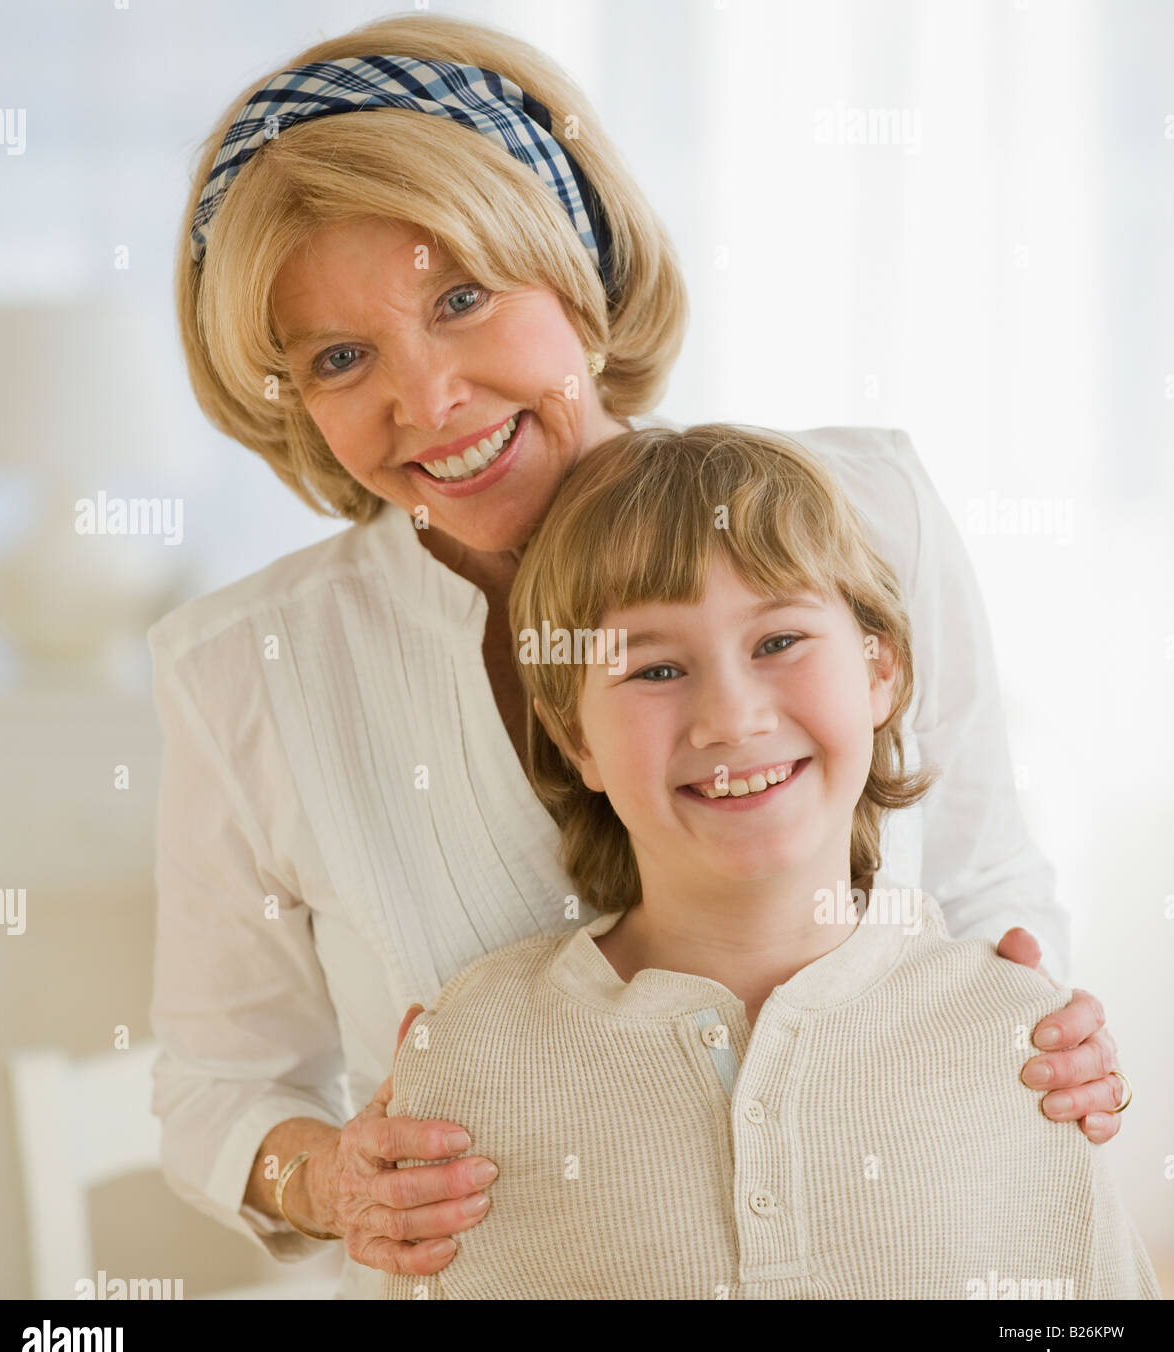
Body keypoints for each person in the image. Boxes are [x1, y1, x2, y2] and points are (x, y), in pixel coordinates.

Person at [149, 13, 1130, 1301]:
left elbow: (991, 876)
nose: (427, 398)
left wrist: (1038, 1038)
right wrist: (329, 1179)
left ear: (574, 266)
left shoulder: (859, 509)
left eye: (461, 297)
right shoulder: (244, 670)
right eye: (341, 357)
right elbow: (216, 1087)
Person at [380, 423, 1157, 1300]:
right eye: (655, 670)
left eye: (778, 642)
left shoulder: (1027, 1040)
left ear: (880, 670)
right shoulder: (475, 1051)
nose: (731, 717)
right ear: (575, 741)